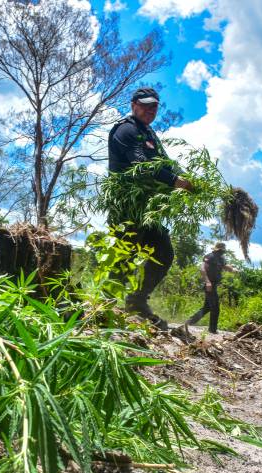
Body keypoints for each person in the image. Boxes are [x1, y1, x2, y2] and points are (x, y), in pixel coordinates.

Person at [107, 87, 193, 328]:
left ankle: (136, 302)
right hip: (127, 207)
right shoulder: (126, 130)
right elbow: (141, 164)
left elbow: (165, 163)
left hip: (147, 209)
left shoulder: (149, 133)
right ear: (133, 105)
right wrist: (175, 182)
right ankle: (104, 306)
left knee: (163, 253)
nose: (150, 110)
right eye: (145, 105)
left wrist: (189, 181)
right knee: (125, 255)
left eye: (154, 106)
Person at [186, 242, 236, 333]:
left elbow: (225, 266)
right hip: (209, 284)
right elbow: (202, 269)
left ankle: (189, 322)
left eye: (222, 250)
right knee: (215, 308)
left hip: (214, 285)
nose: (221, 252)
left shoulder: (221, 258)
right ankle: (212, 330)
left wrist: (233, 269)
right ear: (216, 250)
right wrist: (207, 282)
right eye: (220, 250)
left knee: (207, 307)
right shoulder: (210, 256)